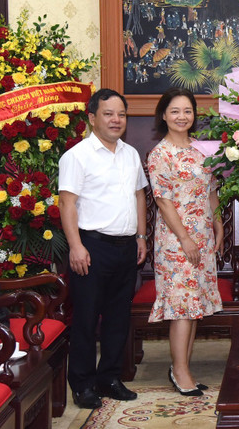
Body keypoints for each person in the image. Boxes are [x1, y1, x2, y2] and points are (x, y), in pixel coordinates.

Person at [59, 89, 148, 409]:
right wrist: (76, 246)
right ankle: (81, 383)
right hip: (91, 247)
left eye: (121, 114)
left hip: (126, 248)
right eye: (109, 114)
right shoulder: (76, 156)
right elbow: (67, 203)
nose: (116, 120)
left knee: (117, 317)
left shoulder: (130, 154)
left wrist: (141, 237)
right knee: (85, 319)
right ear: (92, 118)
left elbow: (139, 196)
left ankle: (108, 377)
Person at [147, 88, 223, 397]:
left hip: (202, 238)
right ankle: (180, 370)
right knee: (181, 306)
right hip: (175, 241)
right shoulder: (159, 154)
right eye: (175, 111)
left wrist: (218, 224)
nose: (182, 116)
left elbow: (212, 190)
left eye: (188, 111)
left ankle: (183, 367)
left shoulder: (201, 149)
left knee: (196, 305)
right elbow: (163, 203)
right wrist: (185, 239)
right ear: (164, 115)